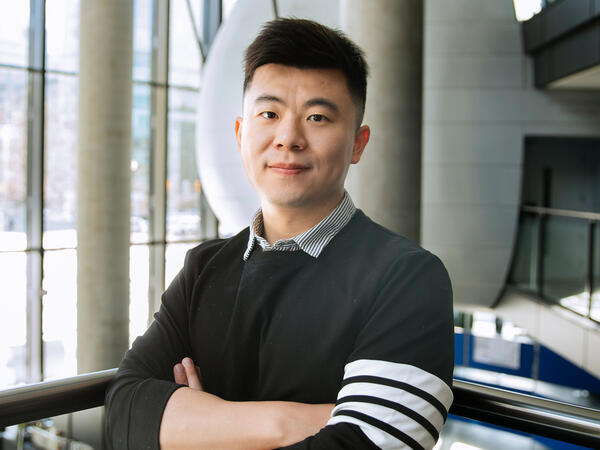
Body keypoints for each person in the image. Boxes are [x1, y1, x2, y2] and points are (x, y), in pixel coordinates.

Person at [106, 17, 454, 450]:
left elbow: (370, 444)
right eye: (269, 113)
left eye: (318, 117)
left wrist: (201, 425)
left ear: (358, 143)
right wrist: (290, 424)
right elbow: (123, 413)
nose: (288, 138)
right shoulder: (203, 269)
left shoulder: (408, 278)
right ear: (240, 133)